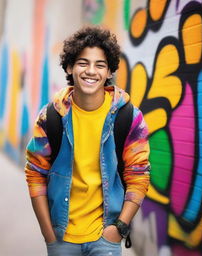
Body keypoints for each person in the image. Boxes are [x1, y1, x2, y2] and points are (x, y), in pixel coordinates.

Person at [25, 26, 150, 256]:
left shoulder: (129, 117)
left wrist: (119, 228)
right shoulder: (50, 117)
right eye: (83, 63)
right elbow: (35, 174)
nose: (91, 71)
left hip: (105, 237)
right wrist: (49, 236)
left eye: (100, 65)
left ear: (109, 71)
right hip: (61, 238)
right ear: (70, 67)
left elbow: (139, 175)